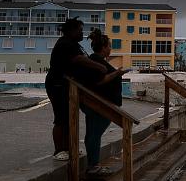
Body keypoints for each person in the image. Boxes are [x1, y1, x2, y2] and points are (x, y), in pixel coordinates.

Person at [46, 18, 108, 161]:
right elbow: (78, 60)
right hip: (58, 85)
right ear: (71, 31)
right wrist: (99, 66)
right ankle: (59, 150)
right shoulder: (65, 44)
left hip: (69, 86)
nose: (82, 33)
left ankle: (69, 147)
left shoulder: (74, 44)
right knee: (61, 118)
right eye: (80, 30)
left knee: (69, 118)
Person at [82, 29, 129, 171]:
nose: (110, 48)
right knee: (94, 134)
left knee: (92, 134)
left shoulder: (96, 60)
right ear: (103, 48)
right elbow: (98, 81)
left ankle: (93, 164)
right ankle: (93, 165)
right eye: (109, 46)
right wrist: (117, 73)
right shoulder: (96, 62)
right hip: (99, 105)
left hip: (99, 103)